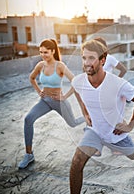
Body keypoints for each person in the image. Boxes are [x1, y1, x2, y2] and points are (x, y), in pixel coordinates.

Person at [69, 40, 134, 194]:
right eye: (84, 58)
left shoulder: (118, 84)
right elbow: (76, 90)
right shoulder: (78, 81)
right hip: (94, 131)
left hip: (116, 134)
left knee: (133, 154)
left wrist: (130, 126)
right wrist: (85, 112)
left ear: (102, 60)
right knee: (77, 162)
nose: (87, 63)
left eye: (91, 58)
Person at [18, 39, 85, 169]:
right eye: (41, 52)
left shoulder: (59, 65)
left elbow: (76, 82)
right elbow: (31, 78)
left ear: (53, 51)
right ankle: (29, 154)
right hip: (44, 101)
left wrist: (65, 96)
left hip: (59, 102)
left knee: (73, 123)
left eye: (46, 52)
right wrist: (39, 91)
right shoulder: (40, 65)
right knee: (28, 119)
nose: (43, 55)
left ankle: (88, 119)